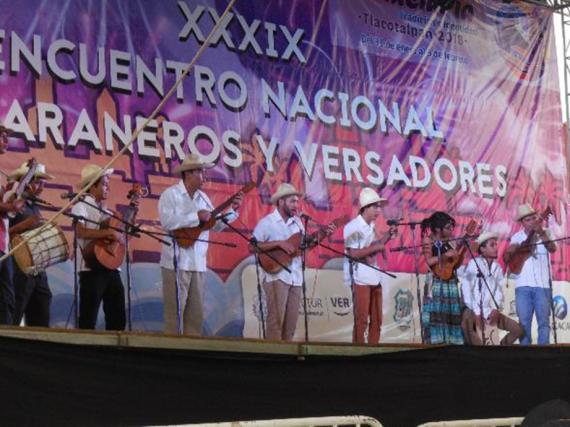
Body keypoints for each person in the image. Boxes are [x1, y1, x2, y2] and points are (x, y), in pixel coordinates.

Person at [159, 154, 242, 335]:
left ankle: (190, 357)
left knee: (195, 317)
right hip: (175, 262)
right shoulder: (170, 195)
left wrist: (232, 211)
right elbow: (167, 222)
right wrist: (195, 217)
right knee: (174, 316)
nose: (204, 175)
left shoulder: (203, 198)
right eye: (200, 172)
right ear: (188, 173)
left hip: (197, 263)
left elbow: (216, 225)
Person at [252, 183, 334, 341]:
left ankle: (286, 361)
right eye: (292, 201)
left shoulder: (298, 223)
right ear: (281, 202)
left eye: (297, 201)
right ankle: (273, 358)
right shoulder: (267, 222)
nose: (296, 205)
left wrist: (322, 235)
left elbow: (304, 246)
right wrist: (278, 243)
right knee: (275, 322)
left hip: (296, 277)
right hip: (276, 276)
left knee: (291, 325)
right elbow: (252, 246)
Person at [71, 164, 127, 330]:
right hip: (91, 268)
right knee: (88, 319)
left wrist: (119, 236)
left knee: (117, 319)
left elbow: (117, 236)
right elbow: (80, 232)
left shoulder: (108, 213)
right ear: (92, 185)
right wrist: (108, 232)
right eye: (103, 183)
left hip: (111, 268)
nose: (107, 186)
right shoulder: (80, 206)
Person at [343, 187, 396, 344]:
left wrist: (388, 236)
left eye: (379, 206)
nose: (378, 210)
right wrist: (377, 247)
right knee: (362, 320)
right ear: (365, 208)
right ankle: (358, 353)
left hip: (375, 275)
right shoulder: (353, 227)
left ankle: (374, 350)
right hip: (360, 278)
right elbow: (353, 254)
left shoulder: (371, 226)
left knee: (377, 319)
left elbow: (376, 246)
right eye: (375, 206)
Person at [8, 162, 55, 327]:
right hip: (19, 268)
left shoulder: (34, 207)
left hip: (38, 268)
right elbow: (6, 233)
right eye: (37, 181)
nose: (41, 187)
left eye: (43, 182)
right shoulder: (13, 203)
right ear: (25, 182)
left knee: (42, 309)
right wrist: (26, 224)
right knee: (15, 311)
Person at [504, 203, 556, 345]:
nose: (532, 221)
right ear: (522, 223)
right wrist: (515, 249)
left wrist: (541, 233)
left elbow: (552, 248)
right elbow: (508, 257)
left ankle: (544, 356)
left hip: (543, 285)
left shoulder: (546, 232)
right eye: (527, 220)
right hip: (523, 286)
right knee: (524, 324)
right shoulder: (517, 237)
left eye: (533, 218)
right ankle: (525, 356)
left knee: (544, 323)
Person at [461, 231, 524, 345]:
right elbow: (466, 291)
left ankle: (498, 348)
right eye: (492, 245)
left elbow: (499, 292)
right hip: (472, 310)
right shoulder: (473, 264)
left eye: (496, 244)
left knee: (517, 330)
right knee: (475, 338)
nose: (496, 248)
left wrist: (495, 309)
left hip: (488, 310)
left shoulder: (497, 268)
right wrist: (477, 312)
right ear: (482, 249)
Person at [421, 212, 465, 345]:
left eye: (452, 227)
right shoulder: (428, 240)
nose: (451, 230)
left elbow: (455, 265)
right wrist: (445, 256)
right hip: (436, 283)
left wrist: (461, 252)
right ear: (437, 229)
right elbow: (428, 262)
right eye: (448, 227)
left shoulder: (450, 242)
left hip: (450, 283)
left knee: (450, 317)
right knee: (436, 317)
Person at [0, 125, 25, 325]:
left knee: (6, 299)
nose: (6, 140)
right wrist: (10, 205)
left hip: (3, 244)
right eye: (2, 136)